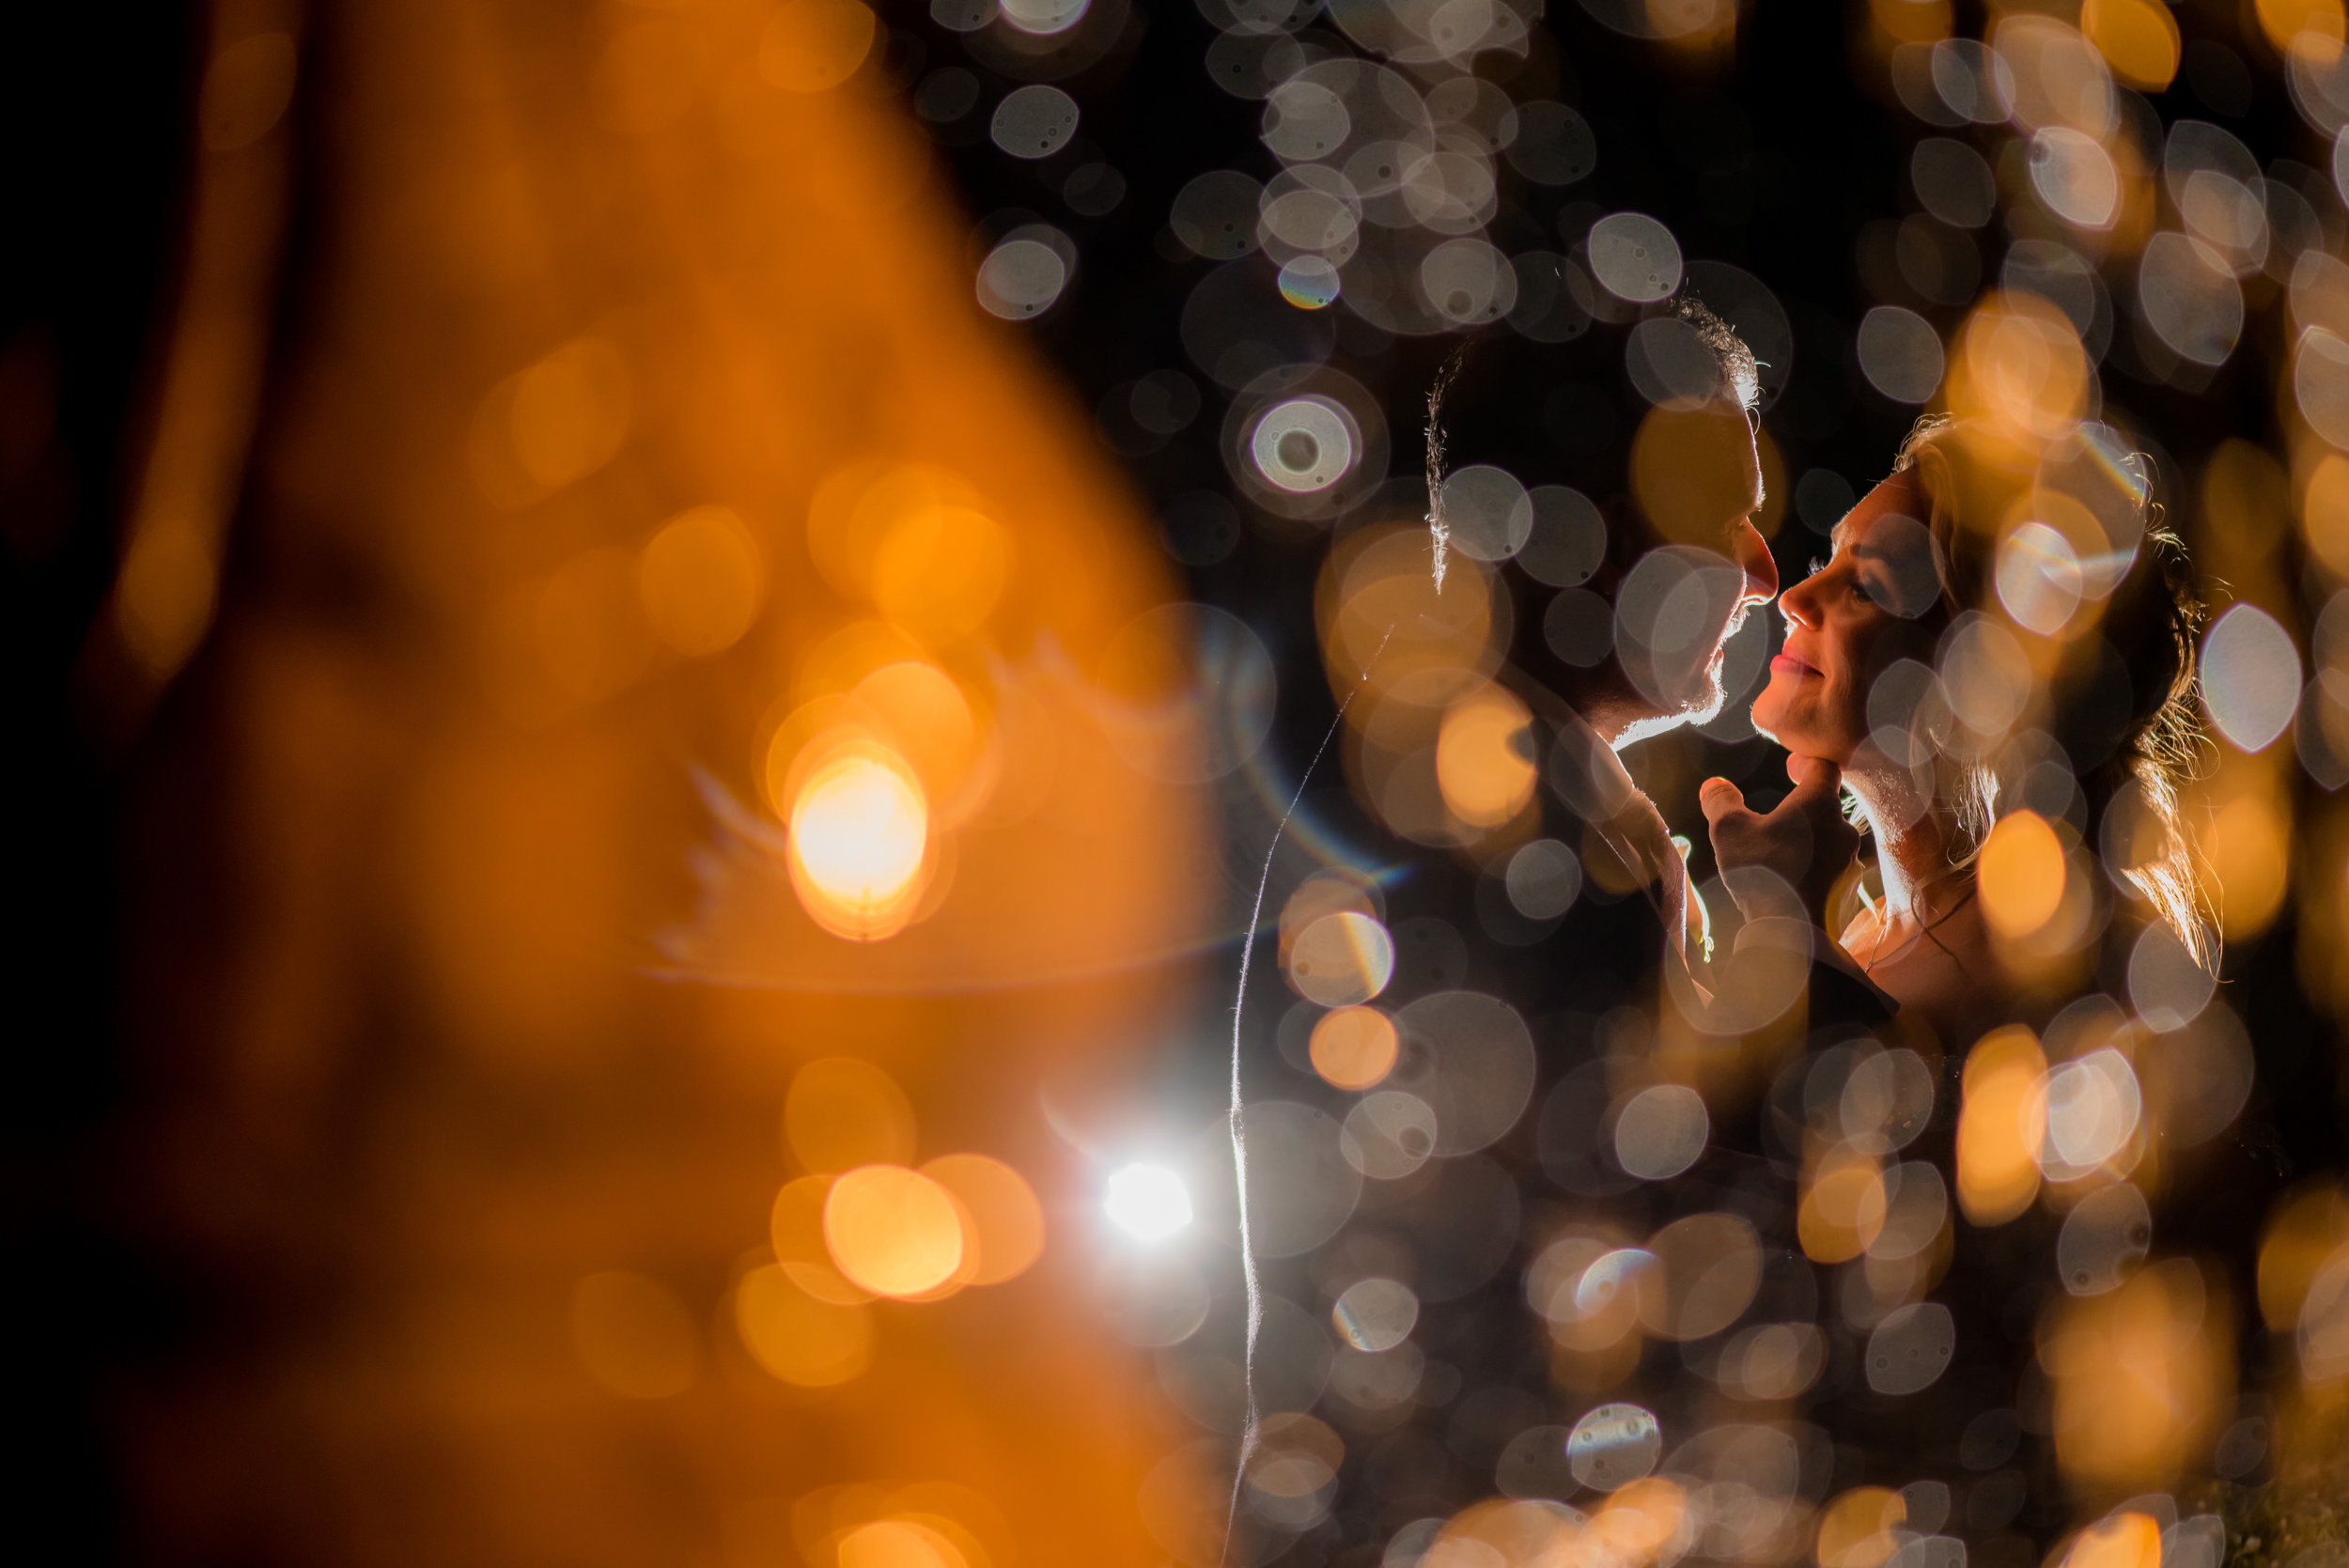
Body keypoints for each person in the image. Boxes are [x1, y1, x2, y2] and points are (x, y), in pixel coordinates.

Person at [1732, 414, 2210, 1045]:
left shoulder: (2051, 974)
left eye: (1865, 586)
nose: (1795, 594)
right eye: (1829, 556)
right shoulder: (1868, 933)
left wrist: (1787, 926)